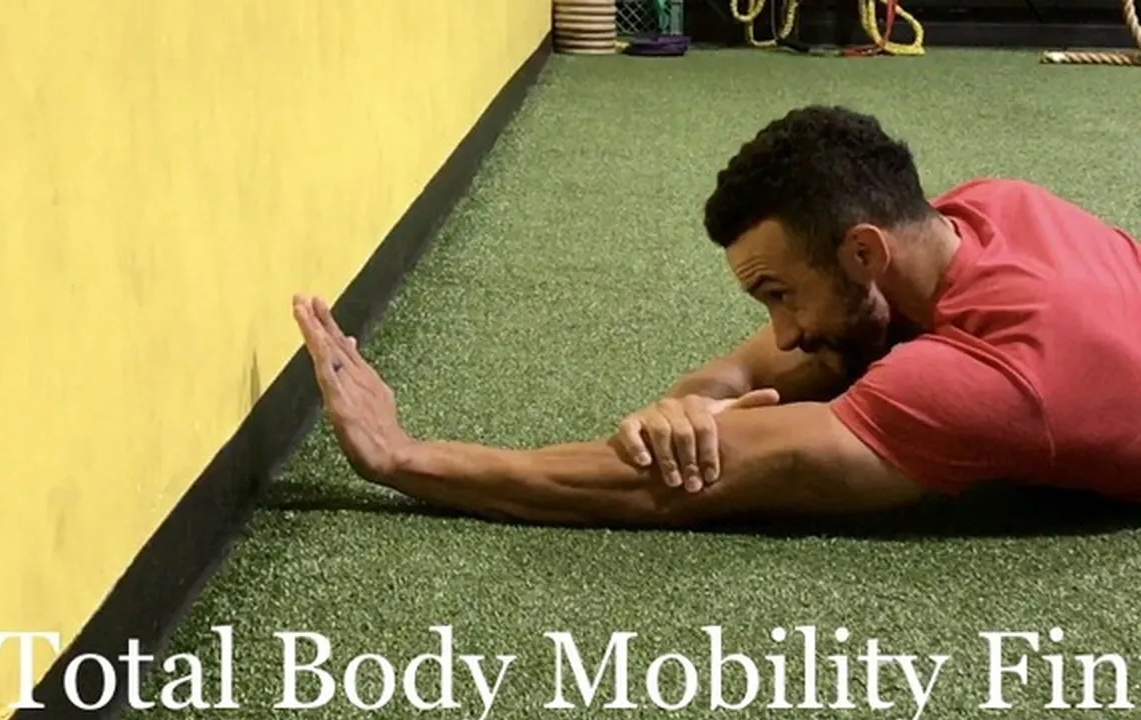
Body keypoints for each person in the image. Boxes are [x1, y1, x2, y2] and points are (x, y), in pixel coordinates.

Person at [291, 105, 1141, 528]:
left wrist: (406, 457)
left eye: (779, 293)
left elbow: (677, 483)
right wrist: (690, 401)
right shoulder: (992, 208)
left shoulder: (991, 383)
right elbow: (762, 371)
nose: (781, 331)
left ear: (864, 252)